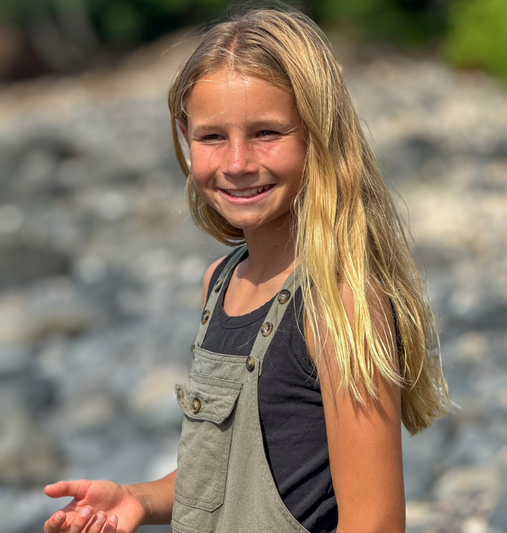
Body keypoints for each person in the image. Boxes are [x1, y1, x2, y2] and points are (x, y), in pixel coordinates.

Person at [43, 8, 450, 533]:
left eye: (265, 132)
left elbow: (373, 523)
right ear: (186, 138)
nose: (237, 162)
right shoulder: (219, 280)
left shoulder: (340, 302)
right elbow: (229, 475)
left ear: (320, 136)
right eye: (213, 137)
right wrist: (138, 499)